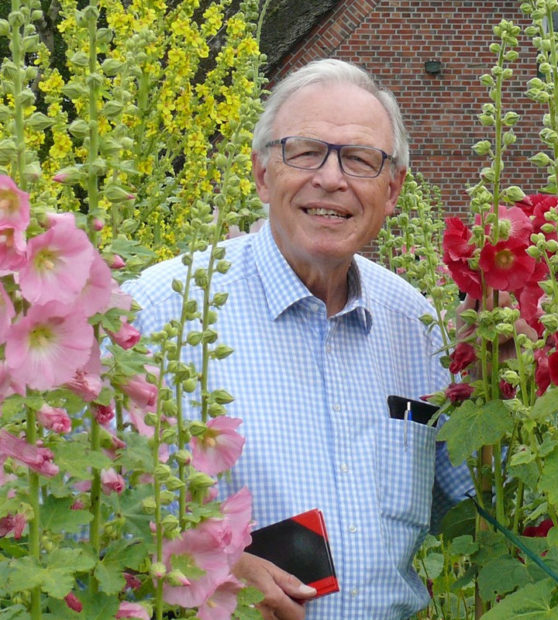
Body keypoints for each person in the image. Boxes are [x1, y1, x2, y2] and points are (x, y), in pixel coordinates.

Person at [125, 58, 472, 620]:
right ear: (262, 173)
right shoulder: (165, 311)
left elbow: (484, 506)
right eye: (306, 151)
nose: (331, 178)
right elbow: (77, 499)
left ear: (392, 189)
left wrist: (510, 388)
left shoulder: (418, 327)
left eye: (360, 159)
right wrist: (204, 563)